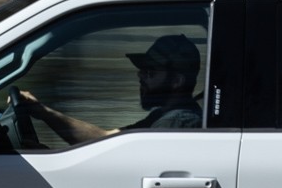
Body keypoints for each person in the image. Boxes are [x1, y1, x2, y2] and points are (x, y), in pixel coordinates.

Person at [17, 33, 202, 145]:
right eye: (142, 70)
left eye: (150, 72)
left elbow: (106, 147)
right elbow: (107, 139)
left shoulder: (177, 122)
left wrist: (43, 112)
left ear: (177, 80)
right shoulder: (162, 116)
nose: (140, 75)